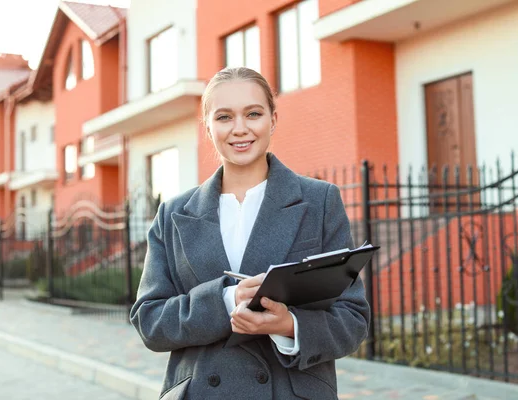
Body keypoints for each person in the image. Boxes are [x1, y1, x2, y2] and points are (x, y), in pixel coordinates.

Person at [130, 67, 370, 400]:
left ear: (272, 119)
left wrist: (288, 326)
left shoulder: (319, 201)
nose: (240, 129)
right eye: (224, 117)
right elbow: (150, 322)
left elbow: (352, 318)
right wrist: (226, 301)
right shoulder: (173, 214)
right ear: (208, 126)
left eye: (253, 114)